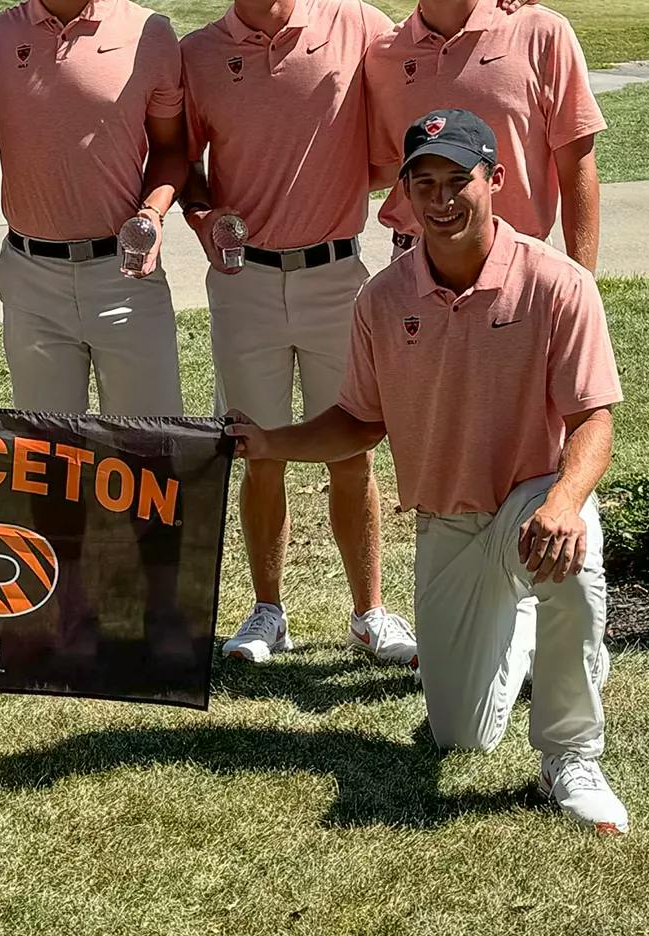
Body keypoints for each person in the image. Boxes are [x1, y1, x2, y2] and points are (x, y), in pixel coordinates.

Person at [226, 110, 628, 835]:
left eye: (456, 181)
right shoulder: (382, 299)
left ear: (494, 180)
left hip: (532, 499)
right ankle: (520, 627)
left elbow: (594, 419)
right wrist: (270, 443)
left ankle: (570, 757)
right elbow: (360, 421)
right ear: (404, 194)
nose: (440, 200)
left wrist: (567, 500)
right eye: (423, 184)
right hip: (448, 521)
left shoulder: (557, 283)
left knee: (574, 558)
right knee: (460, 736)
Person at [178, 0, 414, 668]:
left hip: (336, 274)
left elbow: (429, 52)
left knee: (351, 448)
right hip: (243, 279)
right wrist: (201, 216)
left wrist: (510, 7)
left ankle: (369, 613)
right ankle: (267, 611)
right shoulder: (198, 55)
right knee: (258, 448)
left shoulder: (354, 23)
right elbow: (183, 164)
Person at [0, 0, 188, 417]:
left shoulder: (149, 33)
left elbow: (172, 150)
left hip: (126, 271)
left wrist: (152, 213)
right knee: (47, 450)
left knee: (149, 443)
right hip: (31, 277)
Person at [364, 0, 607, 270]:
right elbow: (383, 168)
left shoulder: (541, 33)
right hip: (413, 263)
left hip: (518, 260)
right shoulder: (383, 57)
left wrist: (581, 279)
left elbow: (577, 164)